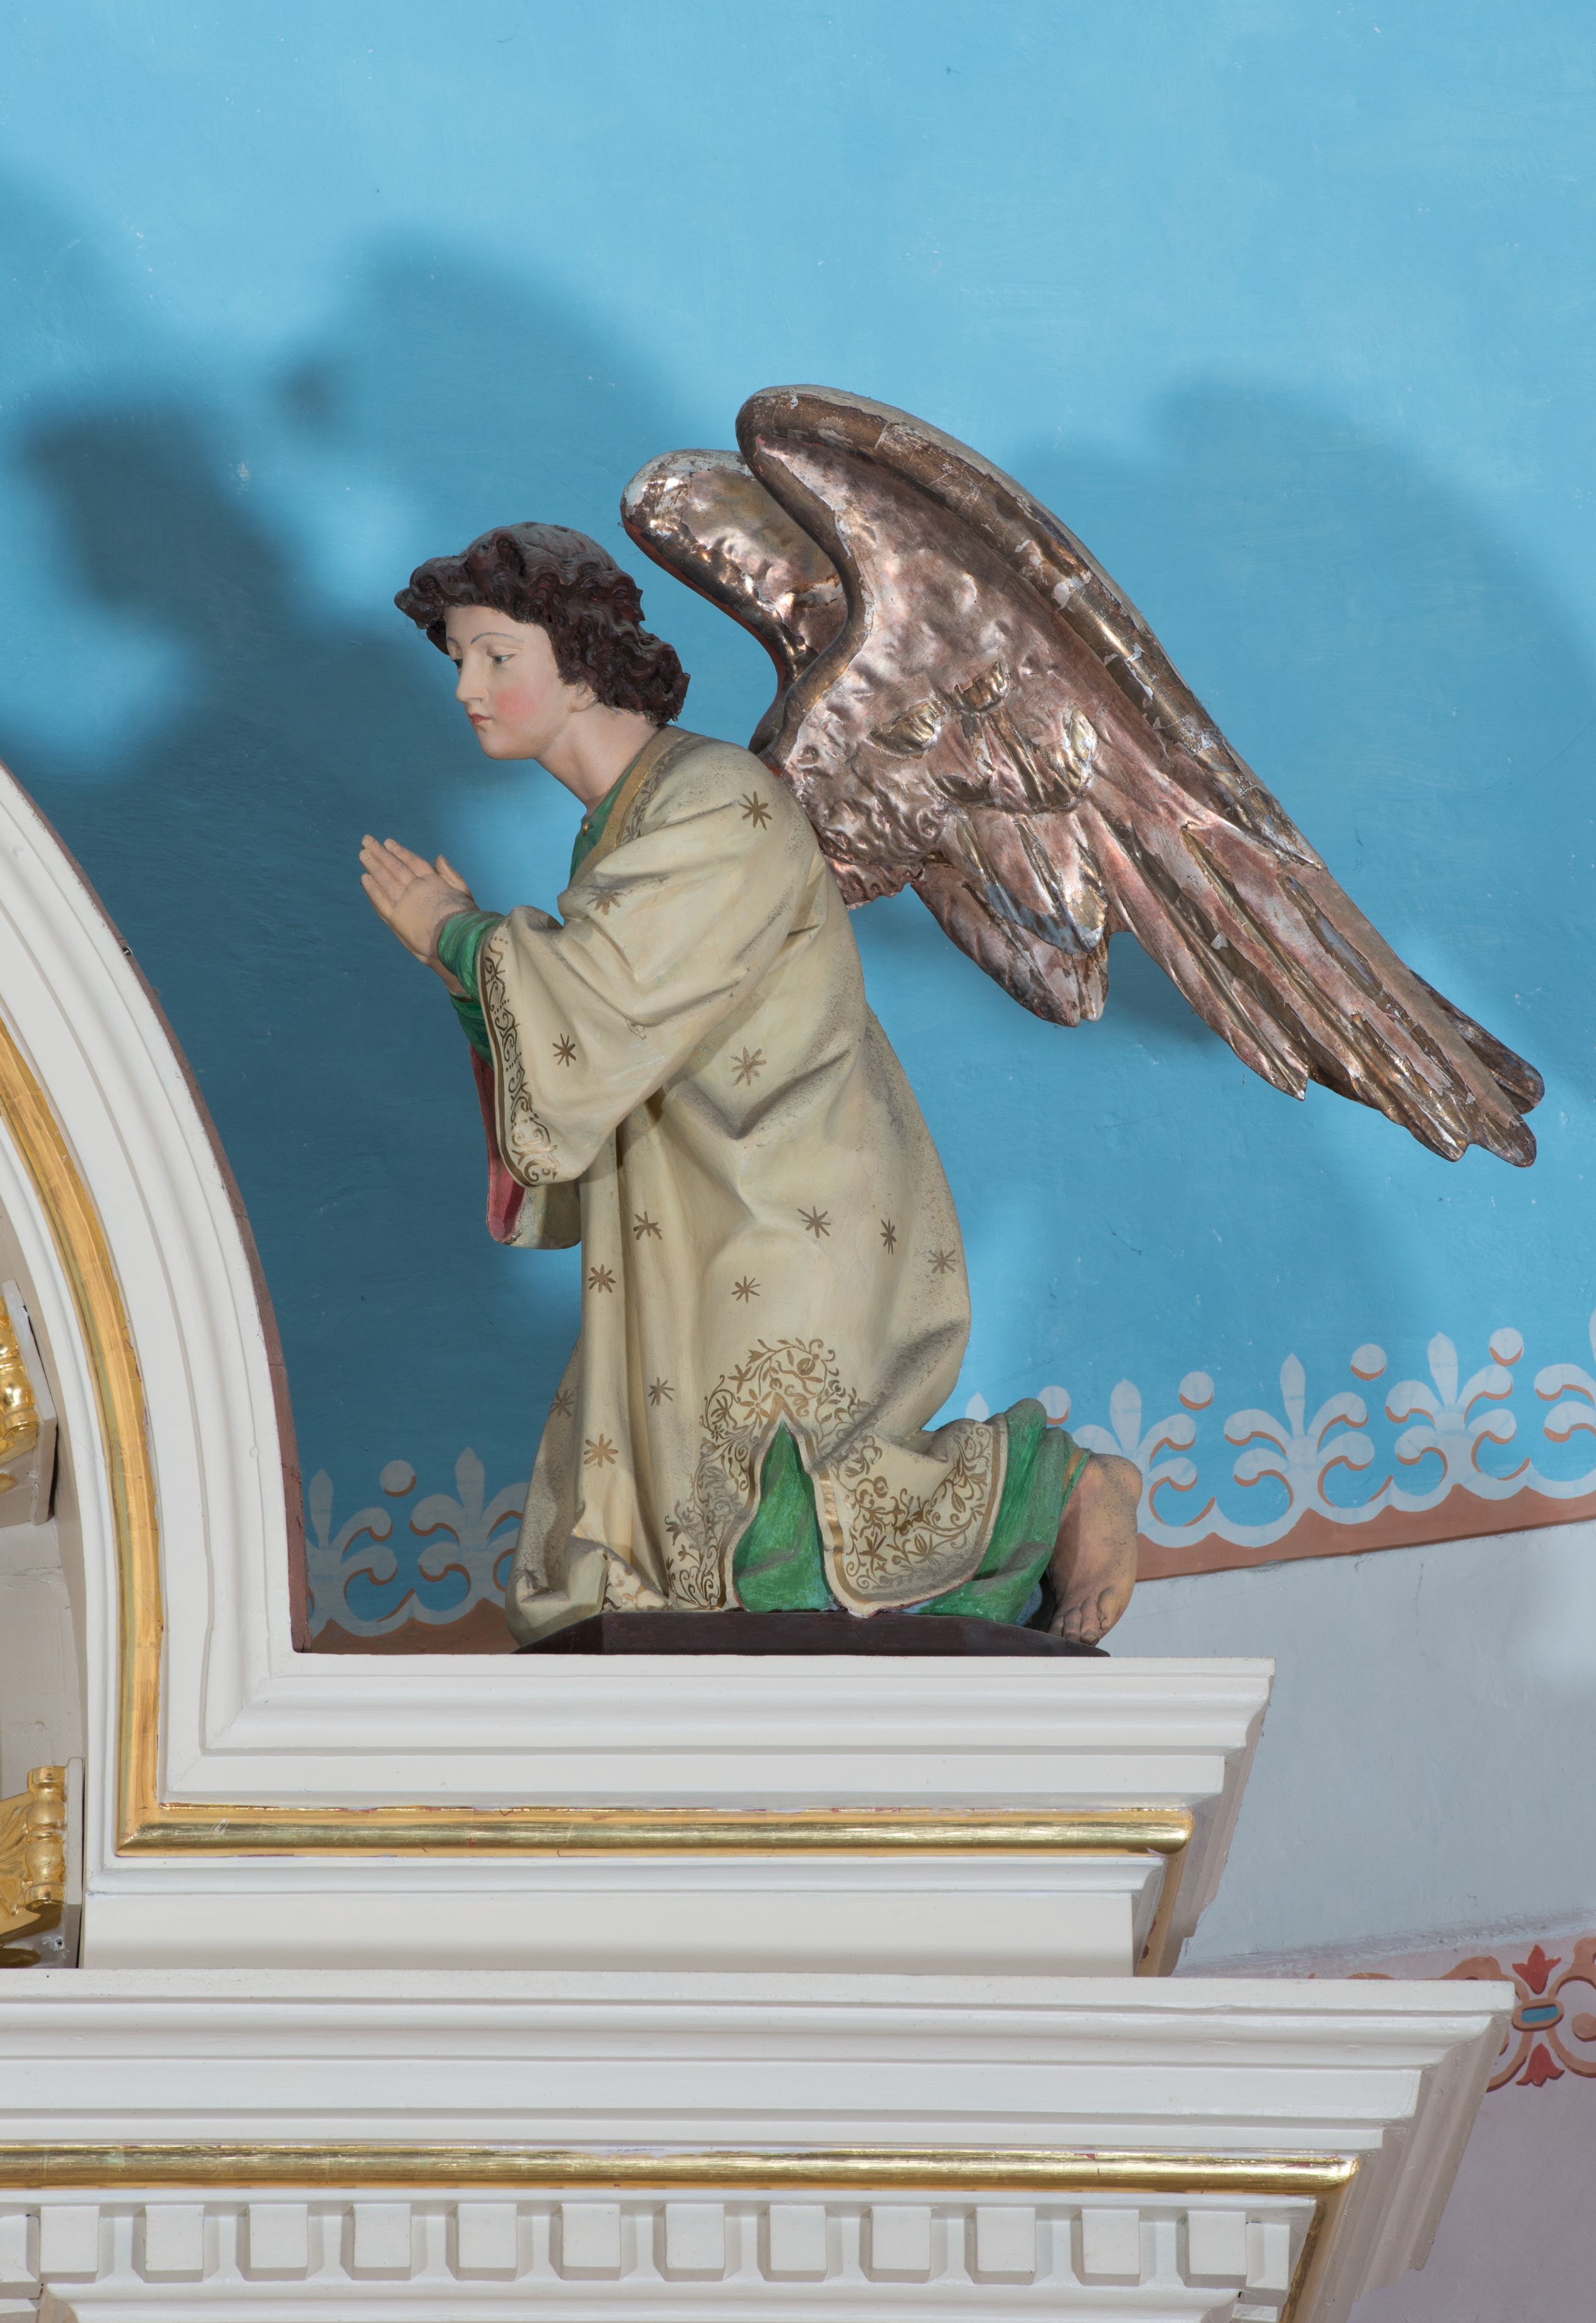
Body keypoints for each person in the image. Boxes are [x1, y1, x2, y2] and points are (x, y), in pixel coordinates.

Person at [361, 523, 1140, 1648]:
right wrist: (472, 971)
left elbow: (605, 992)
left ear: (578, 662)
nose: (467, 690)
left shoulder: (715, 796)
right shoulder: (621, 825)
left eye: (494, 655)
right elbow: (598, 1034)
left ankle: (1058, 1486)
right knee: (693, 1539)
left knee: (781, 1520)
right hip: (698, 1202)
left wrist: (456, 933)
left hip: (786, 1191)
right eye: (458, 663)